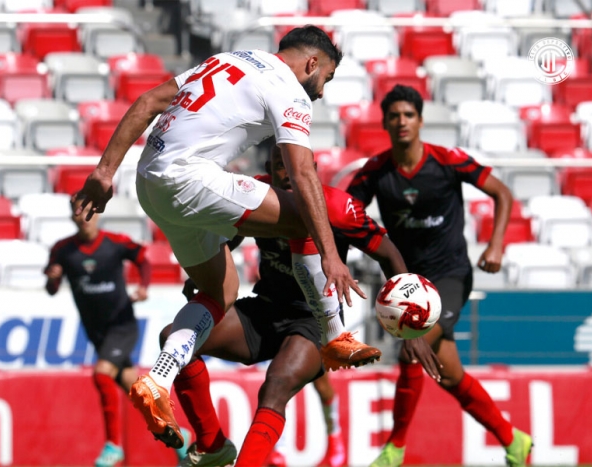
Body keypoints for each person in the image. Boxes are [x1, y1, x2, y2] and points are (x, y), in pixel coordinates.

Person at [74, 25, 382, 449]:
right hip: (190, 179)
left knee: (223, 290)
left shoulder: (229, 59)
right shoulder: (288, 89)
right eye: (326, 78)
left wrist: (105, 172)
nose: (322, 91)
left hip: (149, 183)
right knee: (303, 218)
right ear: (312, 64)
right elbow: (302, 171)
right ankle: (334, 335)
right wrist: (330, 253)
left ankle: (159, 380)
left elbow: (147, 102)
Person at [161, 146, 441, 467]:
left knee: (275, 387)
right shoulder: (255, 193)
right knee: (175, 336)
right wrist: (207, 274)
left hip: (314, 323)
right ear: (270, 167)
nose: (290, 173)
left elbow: (388, 254)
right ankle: (212, 445)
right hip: (264, 311)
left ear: (314, 169)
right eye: (282, 166)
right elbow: (230, 235)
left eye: (298, 165)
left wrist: (411, 331)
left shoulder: (338, 207)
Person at [345, 85, 533, 467]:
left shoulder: (447, 161)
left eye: (408, 115)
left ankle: (395, 448)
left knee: (412, 349)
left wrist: (495, 246)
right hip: (408, 283)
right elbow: (343, 215)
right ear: (384, 122)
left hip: (449, 276)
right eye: (395, 115)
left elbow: (502, 193)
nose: (402, 121)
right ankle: (514, 440)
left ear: (420, 121)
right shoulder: (376, 171)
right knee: (449, 375)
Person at [44, 195, 153, 467]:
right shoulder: (62, 250)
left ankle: (113, 446)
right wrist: (53, 278)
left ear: (98, 214)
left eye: (89, 211)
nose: (84, 217)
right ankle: (179, 435)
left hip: (122, 325)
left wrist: (143, 287)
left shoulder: (114, 242)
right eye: (78, 212)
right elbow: (51, 289)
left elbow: (144, 259)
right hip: (97, 332)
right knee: (134, 388)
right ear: (72, 217)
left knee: (102, 374)